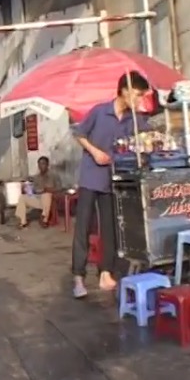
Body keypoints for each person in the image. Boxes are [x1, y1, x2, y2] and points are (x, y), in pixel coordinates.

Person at [71, 70, 151, 299]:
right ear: (124, 91)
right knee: (83, 228)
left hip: (112, 179)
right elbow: (79, 134)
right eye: (136, 95)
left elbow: (146, 136)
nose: (138, 100)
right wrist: (95, 152)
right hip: (90, 177)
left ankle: (106, 272)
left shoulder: (132, 119)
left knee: (110, 228)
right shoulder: (99, 111)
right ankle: (78, 277)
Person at [15, 156, 61, 228]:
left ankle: (44, 219)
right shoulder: (36, 177)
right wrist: (26, 188)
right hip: (38, 199)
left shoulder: (54, 175)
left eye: (43, 164)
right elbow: (33, 190)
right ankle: (23, 221)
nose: (41, 166)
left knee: (46, 195)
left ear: (47, 165)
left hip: (50, 200)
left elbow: (59, 188)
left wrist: (49, 189)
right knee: (22, 197)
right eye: (39, 164)